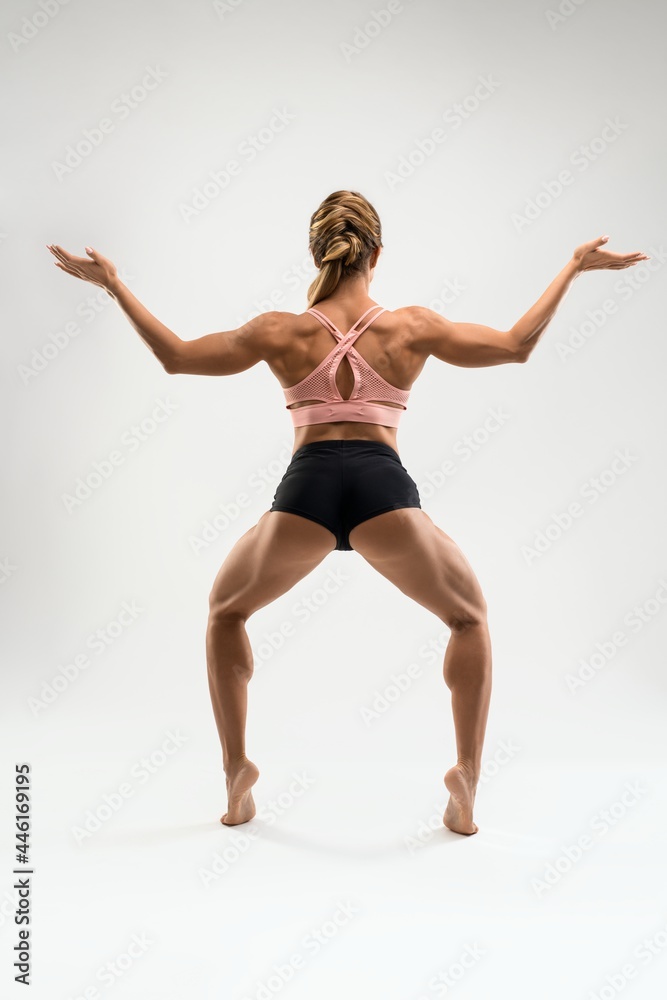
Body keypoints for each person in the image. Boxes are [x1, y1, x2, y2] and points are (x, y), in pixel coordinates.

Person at [47, 190, 648, 836]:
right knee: (467, 616)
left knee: (226, 611)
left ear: (315, 251)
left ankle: (236, 770)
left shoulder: (278, 329)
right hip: (379, 489)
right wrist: (572, 266)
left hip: (305, 491)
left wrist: (114, 285)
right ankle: (466, 775)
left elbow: (176, 356)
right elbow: (513, 345)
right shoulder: (410, 326)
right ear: (377, 254)